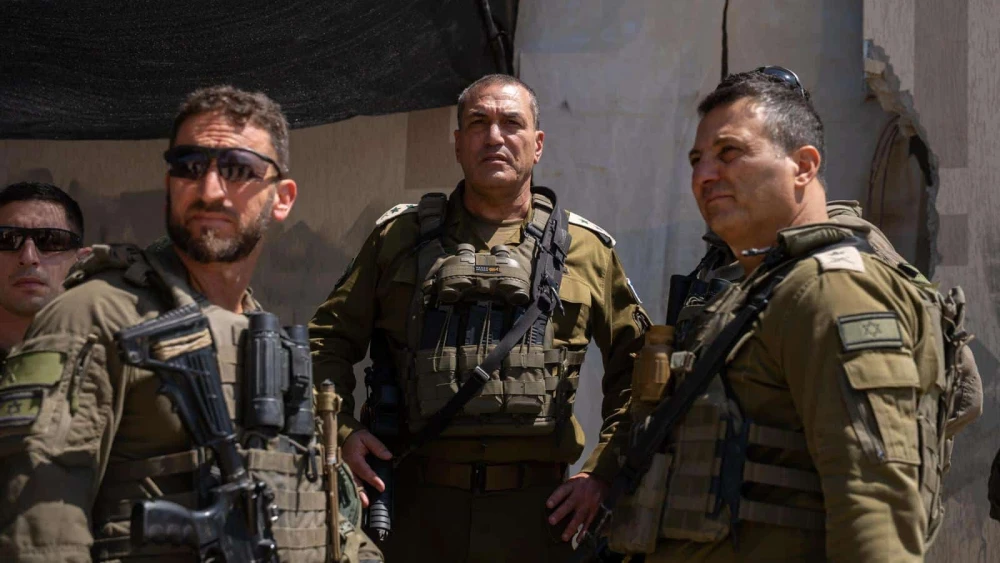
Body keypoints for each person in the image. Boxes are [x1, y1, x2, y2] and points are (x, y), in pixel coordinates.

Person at [599, 67, 980, 562]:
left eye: (729, 153)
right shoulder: (761, 286)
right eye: (697, 160)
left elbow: (873, 505)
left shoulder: (836, 287)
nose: (704, 175)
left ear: (803, 166)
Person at [0, 86, 382, 563]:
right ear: (169, 182)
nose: (210, 190)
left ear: (282, 199)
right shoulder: (98, 314)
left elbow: (313, 513)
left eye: (238, 169)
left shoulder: (268, 340)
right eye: (190, 166)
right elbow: (39, 533)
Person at [309, 73, 649, 563]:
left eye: (512, 123)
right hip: (411, 509)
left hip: (537, 517)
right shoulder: (398, 238)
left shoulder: (586, 250)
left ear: (538, 145)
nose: (494, 136)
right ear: (457, 144)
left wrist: (602, 472)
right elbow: (326, 342)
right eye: (478, 123)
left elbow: (640, 373)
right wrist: (341, 432)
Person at [0, 181, 87, 364]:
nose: (29, 257)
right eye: (7, 239)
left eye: (51, 239)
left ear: (82, 260)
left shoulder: (111, 363)